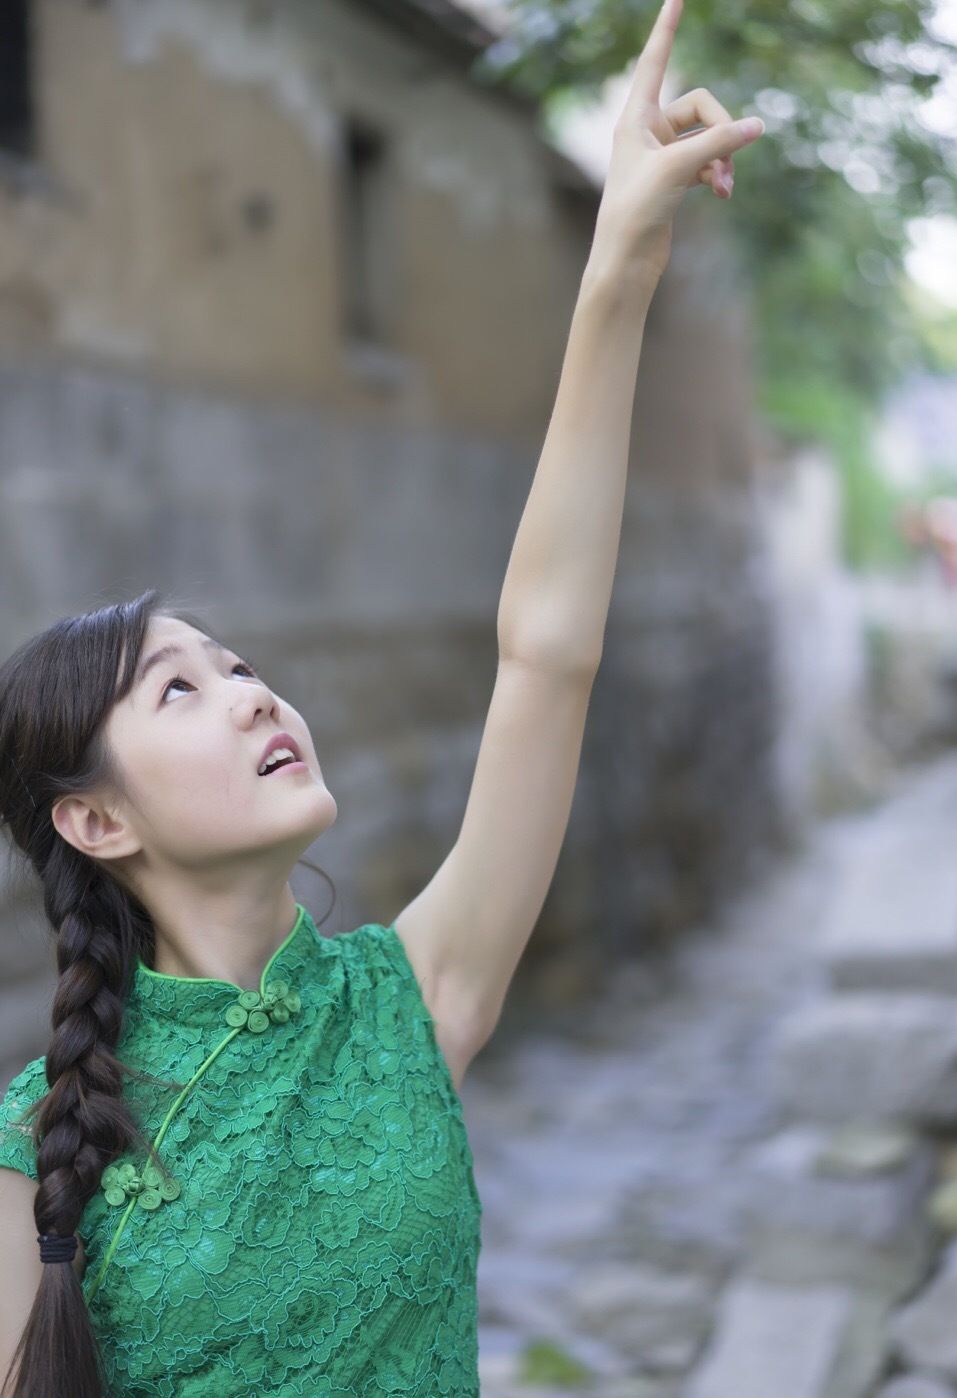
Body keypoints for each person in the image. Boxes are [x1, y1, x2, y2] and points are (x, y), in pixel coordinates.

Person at [0, 1, 764, 1394]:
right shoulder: (32, 1149)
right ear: (96, 820)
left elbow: (544, 653)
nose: (247, 694)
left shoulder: (413, 999)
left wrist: (617, 268)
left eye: (236, 663)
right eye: (178, 689)